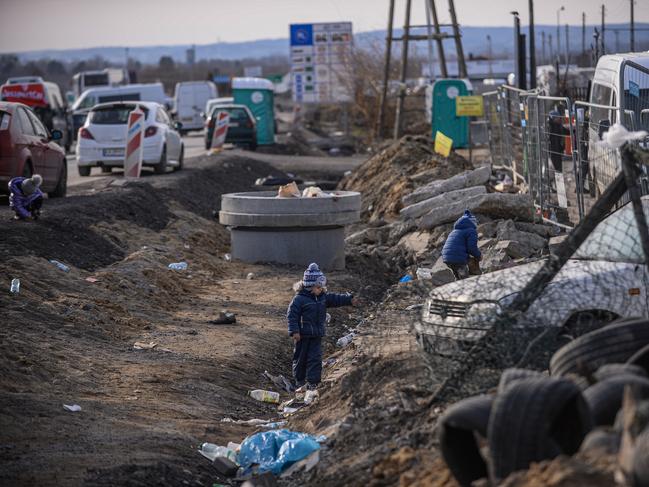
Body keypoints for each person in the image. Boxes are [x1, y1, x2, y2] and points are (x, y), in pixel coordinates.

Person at [287, 263, 358, 390]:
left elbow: (336, 299)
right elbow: (292, 316)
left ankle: (314, 382)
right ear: (309, 286)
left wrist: (348, 299)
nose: (321, 289)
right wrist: (294, 331)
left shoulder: (322, 297)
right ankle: (300, 380)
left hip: (317, 335)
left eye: (321, 287)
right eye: (318, 287)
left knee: (315, 358)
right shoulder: (299, 300)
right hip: (302, 336)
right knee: (300, 358)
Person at [441, 209, 482, 281]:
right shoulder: (471, 231)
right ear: (473, 223)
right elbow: (471, 248)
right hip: (457, 258)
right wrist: (478, 255)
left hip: (446, 257)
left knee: (458, 278)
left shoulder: (455, 231)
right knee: (464, 280)